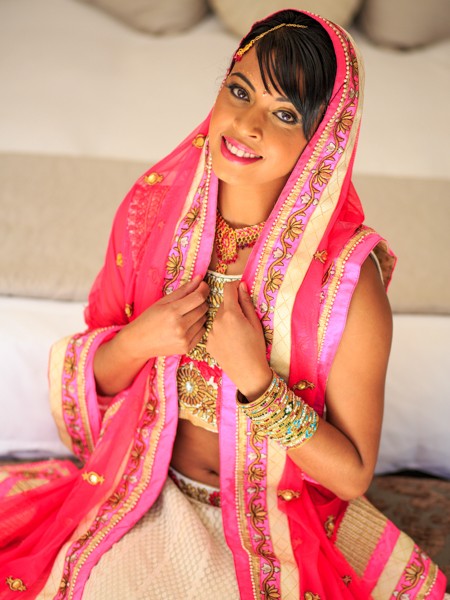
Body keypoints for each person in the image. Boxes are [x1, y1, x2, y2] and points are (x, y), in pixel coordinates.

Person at [0, 8, 447, 600]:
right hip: (142, 490)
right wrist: (139, 340)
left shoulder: (347, 281)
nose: (247, 125)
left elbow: (351, 475)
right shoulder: (151, 216)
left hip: (275, 519)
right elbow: (97, 382)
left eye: (284, 114)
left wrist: (255, 380)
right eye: (239, 90)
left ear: (322, 142)